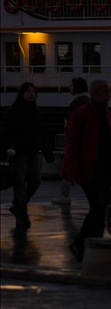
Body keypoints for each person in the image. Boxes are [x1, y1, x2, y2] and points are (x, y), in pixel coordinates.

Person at [62, 80, 111, 263]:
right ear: (95, 93)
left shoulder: (107, 114)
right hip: (89, 169)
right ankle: (84, 242)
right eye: (105, 90)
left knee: (100, 209)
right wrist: (71, 171)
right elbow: (72, 143)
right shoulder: (83, 115)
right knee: (99, 207)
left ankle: (89, 243)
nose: (109, 94)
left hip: (103, 168)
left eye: (109, 90)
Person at [1, 82, 55, 229]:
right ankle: (21, 217)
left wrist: (47, 153)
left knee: (34, 182)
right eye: (28, 91)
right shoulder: (16, 111)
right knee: (20, 184)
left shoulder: (35, 111)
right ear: (23, 93)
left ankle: (18, 207)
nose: (31, 94)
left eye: (33, 91)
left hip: (31, 152)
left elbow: (42, 133)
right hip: (19, 152)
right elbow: (6, 132)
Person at [53, 77, 89, 206]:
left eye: (71, 85)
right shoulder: (89, 101)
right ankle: (110, 189)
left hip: (75, 141)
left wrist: (67, 128)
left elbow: (74, 123)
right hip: (87, 141)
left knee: (67, 168)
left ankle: (65, 195)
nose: (69, 87)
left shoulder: (76, 103)